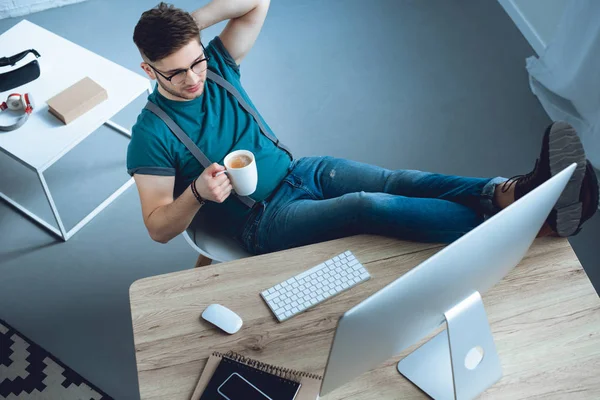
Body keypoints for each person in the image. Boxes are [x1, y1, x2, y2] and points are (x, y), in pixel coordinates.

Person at [127, 1, 598, 255]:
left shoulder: (219, 69)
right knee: (366, 205)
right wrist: (197, 195)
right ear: (150, 71)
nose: (193, 80)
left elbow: (256, 3)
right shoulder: (152, 134)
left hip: (303, 172)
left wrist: (193, 23)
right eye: (176, 73)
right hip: (261, 219)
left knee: (400, 181)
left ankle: (515, 192)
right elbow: (156, 229)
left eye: (197, 62)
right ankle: (521, 223)